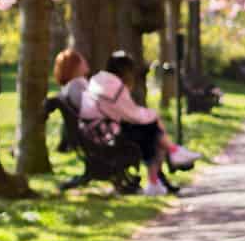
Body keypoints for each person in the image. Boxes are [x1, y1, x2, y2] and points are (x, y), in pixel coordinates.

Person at [82, 51, 202, 196]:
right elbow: (131, 114)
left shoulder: (100, 80)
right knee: (151, 131)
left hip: (98, 132)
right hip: (107, 135)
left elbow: (125, 113)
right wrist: (153, 115)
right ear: (126, 70)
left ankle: (163, 169)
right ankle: (170, 156)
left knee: (150, 131)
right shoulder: (114, 86)